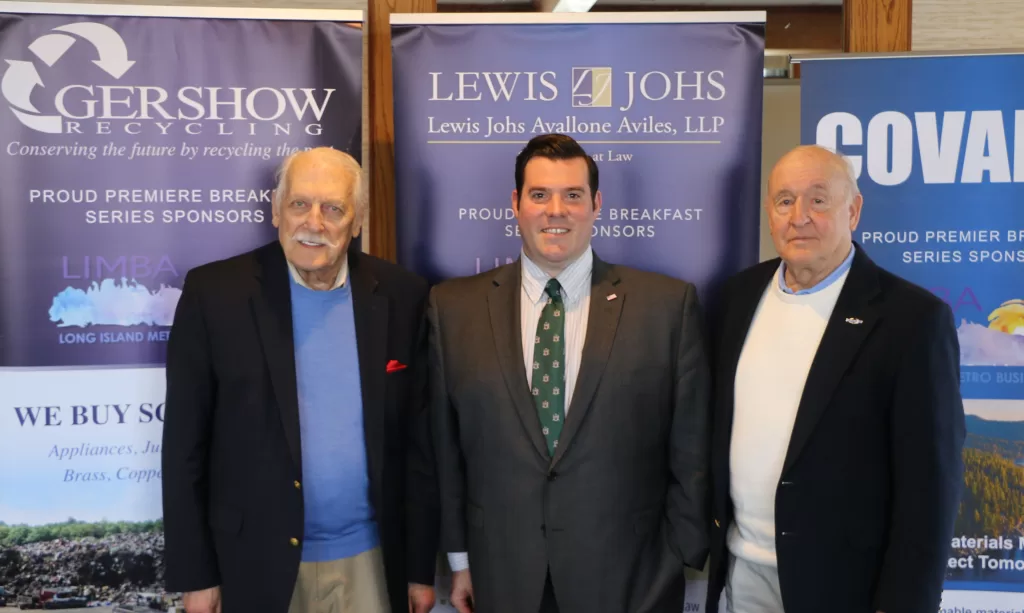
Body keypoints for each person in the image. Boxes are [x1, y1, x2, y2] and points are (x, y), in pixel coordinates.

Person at [429, 133, 712, 613]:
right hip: (502, 575)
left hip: (631, 581)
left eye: (573, 195)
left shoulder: (666, 306)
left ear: (596, 204)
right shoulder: (453, 308)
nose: (555, 210)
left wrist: (677, 557)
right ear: (516, 203)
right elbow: (446, 445)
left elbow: (691, 447)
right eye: (539, 195)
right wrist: (459, 559)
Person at [161, 147, 439, 613]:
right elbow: (184, 446)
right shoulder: (215, 295)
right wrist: (197, 575)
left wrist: (418, 568)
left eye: (333, 208)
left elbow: (419, 445)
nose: (315, 221)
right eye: (299, 204)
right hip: (252, 566)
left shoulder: (402, 295)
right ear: (275, 210)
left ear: (357, 220)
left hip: (370, 564)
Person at [706, 145, 965, 613]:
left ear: (854, 210)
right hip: (741, 578)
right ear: (769, 212)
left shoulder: (912, 321)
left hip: (847, 590)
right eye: (784, 201)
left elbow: (930, 492)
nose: (799, 216)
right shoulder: (736, 298)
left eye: (818, 200)